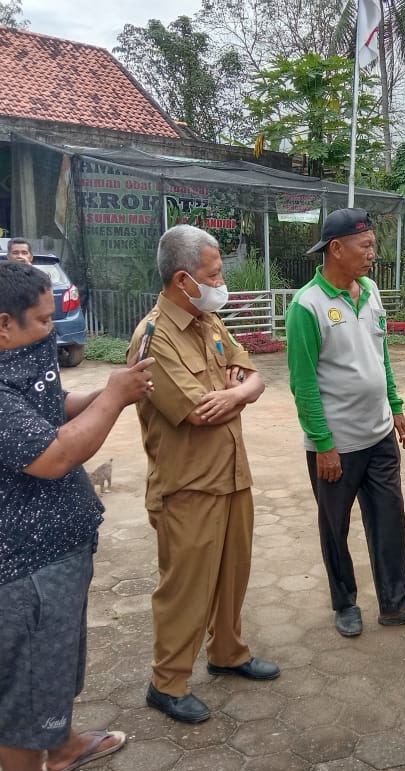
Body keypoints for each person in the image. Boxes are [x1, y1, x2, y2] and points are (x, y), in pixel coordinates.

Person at [0, 261, 155, 771]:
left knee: (51, 678)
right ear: (4, 324)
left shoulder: (3, 365)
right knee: (24, 701)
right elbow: (53, 455)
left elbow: (53, 405)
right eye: (41, 320)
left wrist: (103, 394)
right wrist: (117, 399)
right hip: (20, 576)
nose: (51, 331)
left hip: (50, 562)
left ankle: (63, 747)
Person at [131, 224, 277, 725]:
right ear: (182, 280)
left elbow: (254, 376)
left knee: (233, 574)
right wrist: (239, 392)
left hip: (232, 476)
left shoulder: (210, 321)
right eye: (213, 274)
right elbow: (197, 413)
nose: (222, 281)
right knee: (186, 587)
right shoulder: (155, 338)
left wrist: (238, 392)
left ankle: (228, 652)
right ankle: (166, 682)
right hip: (188, 486)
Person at [287, 208, 405, 638]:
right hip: (336, 445)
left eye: (373, 245)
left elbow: (381, 356)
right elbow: (303, 386)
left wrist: (395, 405)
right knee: (334, 528)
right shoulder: (307, 306)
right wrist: (323, 444)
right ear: (336, 249)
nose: (373, 253)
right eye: (367, 246)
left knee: (389, 520)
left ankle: (395, 603)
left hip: (378, 438)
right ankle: (345, 603)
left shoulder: (370, 291)